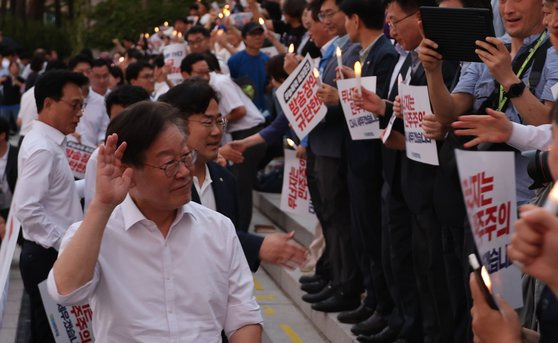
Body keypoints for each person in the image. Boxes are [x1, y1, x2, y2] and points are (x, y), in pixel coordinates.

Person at [47, 101, 263, 341]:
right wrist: (102, 205)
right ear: (127, 170)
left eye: (186, 157)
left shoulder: (218, 228)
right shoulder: (98, 233)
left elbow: (243, 317)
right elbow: (65, 292)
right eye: (169, 164)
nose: (183, 172)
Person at [159, 78, 308, 271]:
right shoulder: (164, 182)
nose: (216, 131)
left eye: (219, 121)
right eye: (207, 122)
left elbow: (229, 240)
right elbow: (184, 240)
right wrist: (257, 246)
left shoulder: (225, 179)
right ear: (177, 125)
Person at [14, 70, 88, 343]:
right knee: (51, 335)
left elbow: (59, 194)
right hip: (46, 255)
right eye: (74, 105)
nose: (80, 112)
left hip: (50, 253)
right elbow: (27, 208)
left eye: (82, 105)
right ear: (48, 103)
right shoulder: (43, 148)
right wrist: (66, 245)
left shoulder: (49, 142)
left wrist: (94, 183)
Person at [83, 85, 151, 210]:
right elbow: (93, 209)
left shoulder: (164, 150)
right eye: (118, 120)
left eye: (134, 120)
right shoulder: (101, 158)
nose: (127, 126)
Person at [228, 22, 270, 113]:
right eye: (253, 34)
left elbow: (266, 87)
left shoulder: (266, 60)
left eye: (260, 34)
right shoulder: (234, 60)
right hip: (244, 112)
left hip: (264, 111)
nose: (258, 37)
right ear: (244, 38)